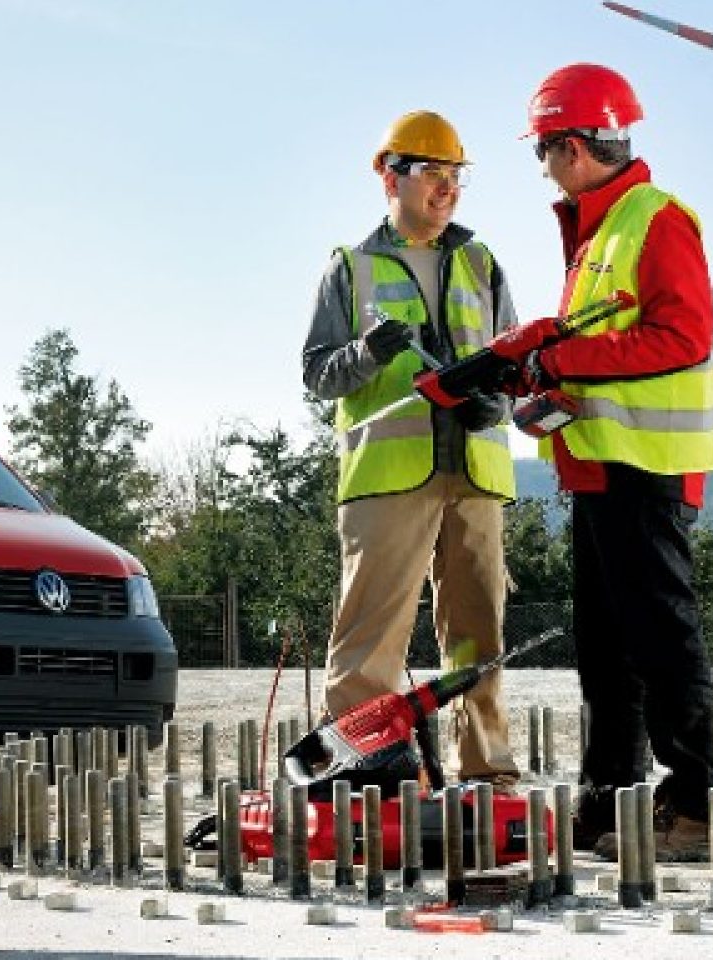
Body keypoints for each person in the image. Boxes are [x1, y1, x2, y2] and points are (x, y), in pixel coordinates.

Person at [477, 64, 713, 859]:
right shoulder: (597, 232)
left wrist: (562, 357)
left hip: (646, 466)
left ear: (572, 143)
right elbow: (599, 348)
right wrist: (538, 372)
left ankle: (694, 806)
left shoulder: (653, 219)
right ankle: (611, 802)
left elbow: (681, 336)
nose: (543, 166)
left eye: (543, 150)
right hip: (596, 468)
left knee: (661, 640)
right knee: (604, 648)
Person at [301, 110, 522, 784]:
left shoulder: (483, 263)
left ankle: (486, 773)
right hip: (388, 478)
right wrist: (367, 353)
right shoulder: (352, 267)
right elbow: (317, 374)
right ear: (389, 175)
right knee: (370, 641)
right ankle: (359, 772)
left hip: (475, 472)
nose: (447, 187)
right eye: (432, 172)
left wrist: (499, 397)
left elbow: (517, 362)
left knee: (477, 639)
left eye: (455, 176)